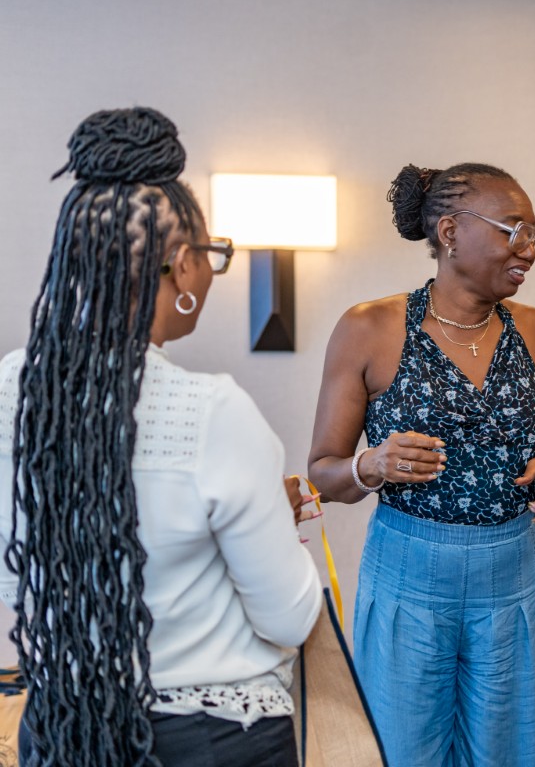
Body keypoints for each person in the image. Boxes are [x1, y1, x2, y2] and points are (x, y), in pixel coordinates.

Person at [0, 107, 322, 767]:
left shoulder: (12, 389)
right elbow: (289, 618)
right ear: (179, 265)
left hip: (64, 724)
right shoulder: (211, 411)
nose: (209, 272)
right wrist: (273, 518)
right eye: (211, 256)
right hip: (205, 739)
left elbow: (21, 571)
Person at [307, 162, 535, 766]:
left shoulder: (534, 330)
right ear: (450, 232)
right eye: (514, 230)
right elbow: (323, 471)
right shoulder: (370, 328)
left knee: (516, 752)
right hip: (410, 575)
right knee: (405, 753)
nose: (529, 249)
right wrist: (372, 464)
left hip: (517, 573)